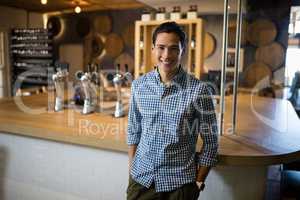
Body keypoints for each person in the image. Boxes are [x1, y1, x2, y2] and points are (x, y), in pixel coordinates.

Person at [126, 21, 218, 200]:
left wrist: (198, 184)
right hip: (141, 181)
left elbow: (211, 142)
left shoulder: (199, 90)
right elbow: (133, 132)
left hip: (179, 186)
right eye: (161, 47)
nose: (166, 55)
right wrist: (132, 170)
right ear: (152, 48)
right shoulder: (139, 86)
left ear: (182, 50)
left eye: (174, 48)